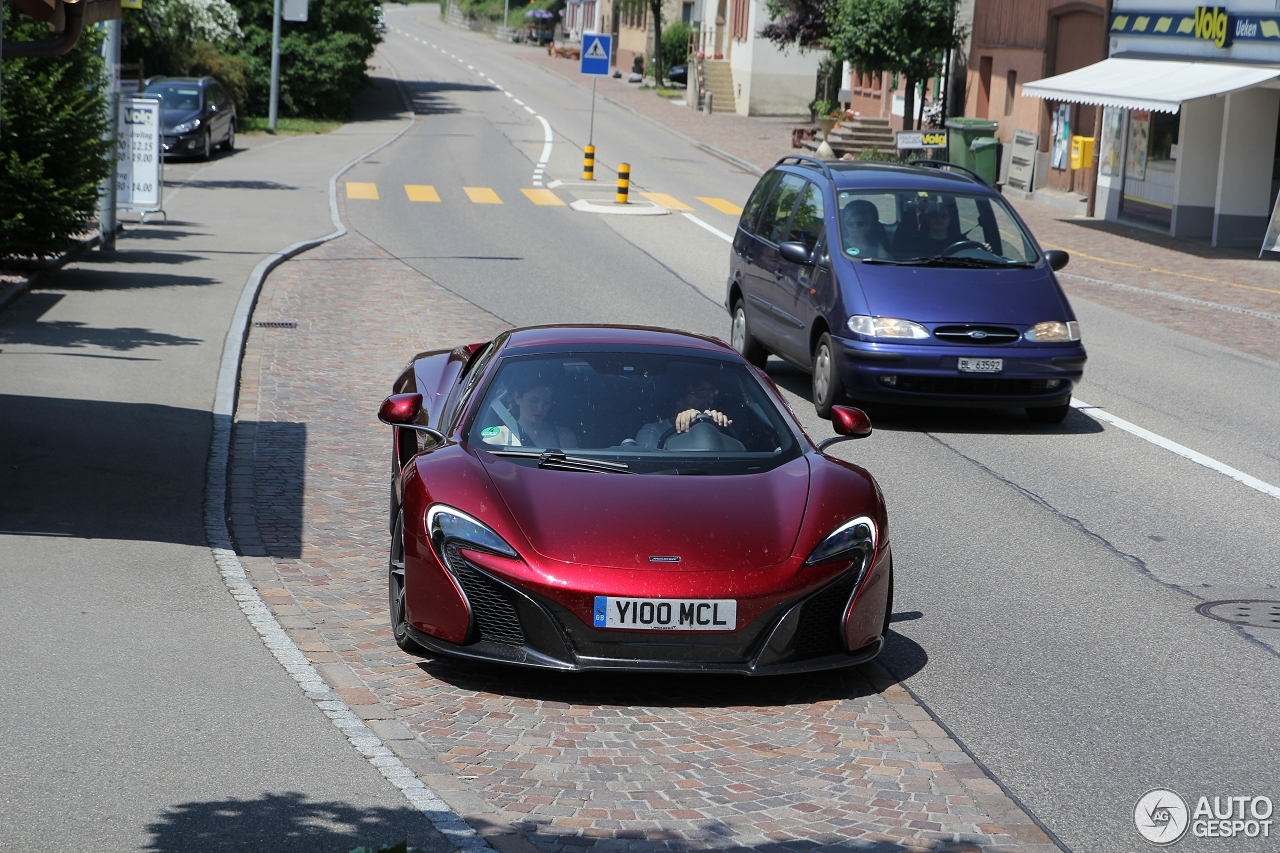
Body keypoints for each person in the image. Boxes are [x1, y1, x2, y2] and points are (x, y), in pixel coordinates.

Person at [479, 366, 577, 448]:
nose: (540, 408)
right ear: (517, 397)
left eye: (546, 401)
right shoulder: (498, 438)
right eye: (533, 401)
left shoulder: (565, 437)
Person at [636, 373, 733, 449]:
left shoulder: (717, 428)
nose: (710, 400)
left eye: (712, 393)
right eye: (702, 392)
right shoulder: (652, 432)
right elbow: (654, 469)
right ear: (678, 398)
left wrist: (719, 429)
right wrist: (684, 433)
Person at [894, 197, 962, 258]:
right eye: (933, 215)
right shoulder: (916, 243)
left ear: (949, 219)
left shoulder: (960, 242)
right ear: (927, 219)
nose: (938, 220)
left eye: (943, 216)